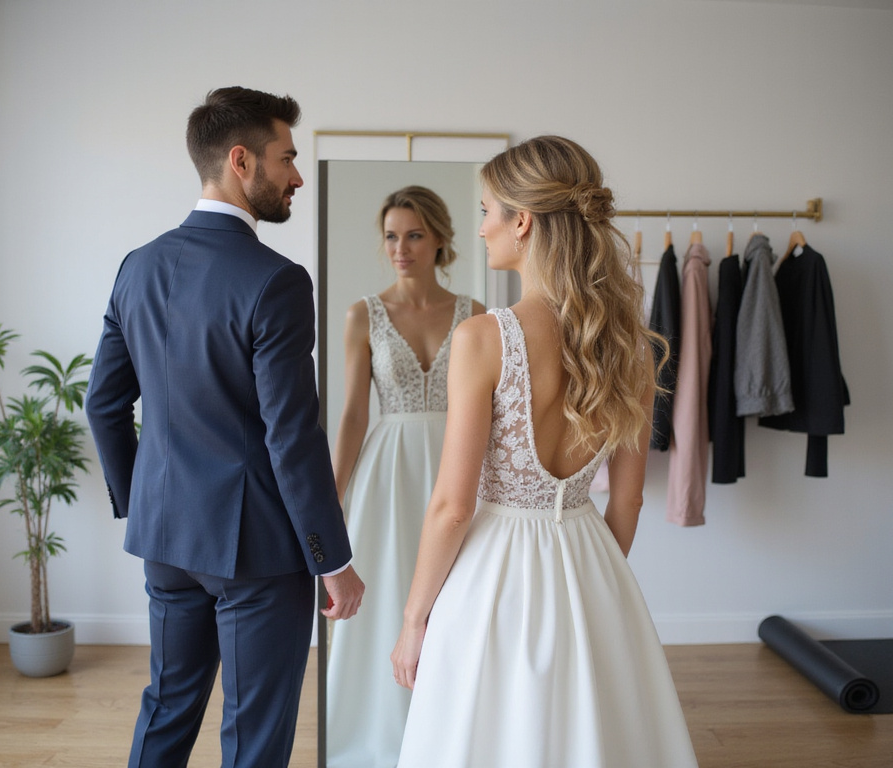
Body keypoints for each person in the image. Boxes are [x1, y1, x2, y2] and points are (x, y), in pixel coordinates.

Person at [391, 136, 699, 767]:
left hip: (493, 573)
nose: (480, 228)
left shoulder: (482, 337)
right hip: (590, 561)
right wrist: (594, 585)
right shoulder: (631, 346)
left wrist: (414, 620)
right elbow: (629, 500)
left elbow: (452, 507)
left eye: (486, 211)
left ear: (523, 221)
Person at [85, 86, 364, 768]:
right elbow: (291, 435)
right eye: (287, 157)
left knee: (167, 704)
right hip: (258, 552)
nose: (298, 176)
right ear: (241, 161)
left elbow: (103, 404)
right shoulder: (277, 281)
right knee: (253, 736)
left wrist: (143, 503)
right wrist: (333, 560)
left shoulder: (137, 267)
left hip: (165, 538)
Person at [326, 186, 484, 768]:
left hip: (456, 464)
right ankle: (379, 728)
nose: (400, 248)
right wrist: (330, 499)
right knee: (392, 585)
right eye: (391, 236)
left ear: (440, 239)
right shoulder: (363, 315)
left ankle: (452, 733)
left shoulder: (476, 314)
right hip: (387, 472)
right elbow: (352, 414)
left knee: (459, 593)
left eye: (414, 235)